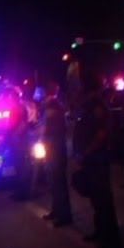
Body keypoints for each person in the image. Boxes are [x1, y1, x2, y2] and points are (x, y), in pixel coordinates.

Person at [72, 69, 121, 248]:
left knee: (103, 200)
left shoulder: (98, 106)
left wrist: (85, 153)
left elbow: (101, 134)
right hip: (90, 158)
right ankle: (100, 232)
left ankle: (110, 240)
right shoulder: (87, 105)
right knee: (96, 199)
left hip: (97, 158)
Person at [41, 81, 72, 226]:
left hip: (56, 148)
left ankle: (64, 215)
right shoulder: (51, 105)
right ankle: (56, 210)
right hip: (51, 148)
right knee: (53, 181)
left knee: (58, 182)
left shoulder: (54, 106)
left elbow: (51, 128)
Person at [9, 86, 38, 201]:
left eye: (11, 96)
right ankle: (20, 191)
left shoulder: (19, 108)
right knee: (18, 166)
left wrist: (16, 135)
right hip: (18, 139)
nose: (9, 98)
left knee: (22, 166)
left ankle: (23, 192)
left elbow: (24, 123)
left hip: (20, 140)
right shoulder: (16, 107)